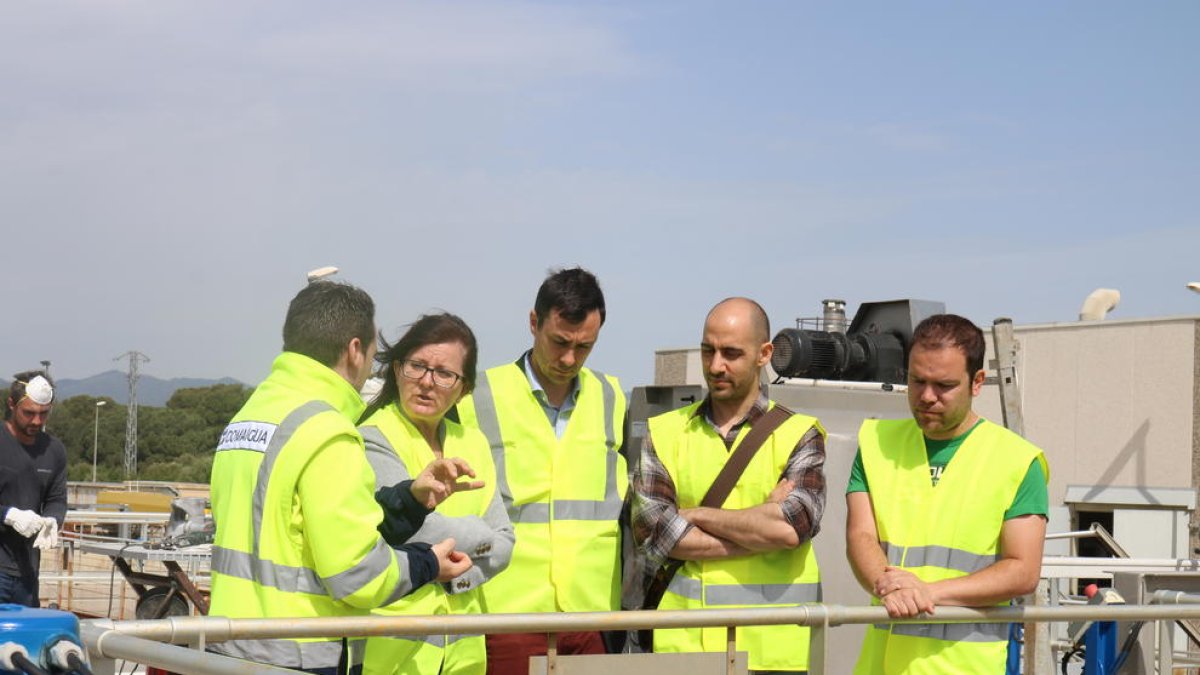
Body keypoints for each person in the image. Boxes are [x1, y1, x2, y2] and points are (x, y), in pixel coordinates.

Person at [209, 280, 475, 675]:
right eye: (371, 351)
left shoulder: (253, 413)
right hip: (295, 652)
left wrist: (409, 500)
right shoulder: (328, 430)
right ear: (354, 350)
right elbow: (358, 577)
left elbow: (295, 530)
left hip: (228, 644)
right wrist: (427, 564)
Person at [631, 297, 826, 674]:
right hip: (682, 646)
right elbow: (655, 533)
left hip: (772, 651)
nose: (716, 366)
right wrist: (760, 529)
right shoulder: (664, 431)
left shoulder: (800, 433)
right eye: (708, 351)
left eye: (731, 354)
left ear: (764, 354)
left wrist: (697, 515)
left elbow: (791, 528)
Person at [845, 313, 1049, 674]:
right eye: (916, 381)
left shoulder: (1018, 461)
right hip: (880, 666)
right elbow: (861, 536)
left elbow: (1023, 570)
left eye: (943, 385)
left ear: (977, 382)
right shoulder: (875, 442)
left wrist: (928, 592)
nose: (927, 396)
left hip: (965, 666)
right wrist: (887, 584)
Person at [455, 267, 626, 675]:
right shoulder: (476, 396)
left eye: (584, 347)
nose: (569, 358)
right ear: (534, 323)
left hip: (593, 615)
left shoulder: (612, 396)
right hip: (507, 612)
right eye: (559, 342)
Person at [359, 313, 514, 675]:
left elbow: (506, 543)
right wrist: (479, 532)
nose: (427, 382)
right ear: (397, 370)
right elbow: (415, 530)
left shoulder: (472, 442)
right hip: (394, 654)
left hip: (465, 654)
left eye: (444, 374)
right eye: (417, 366)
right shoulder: (373, 436)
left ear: (465, 388)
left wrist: (455, 579)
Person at [0, 371, 67, 607]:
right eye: (29, 413)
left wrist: (53, 520)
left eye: (43, 413)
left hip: (27, 571)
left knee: (24, 641)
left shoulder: (54, 451)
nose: (37, 421)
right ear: (11, 404)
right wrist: (7, 515)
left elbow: (56, 498)